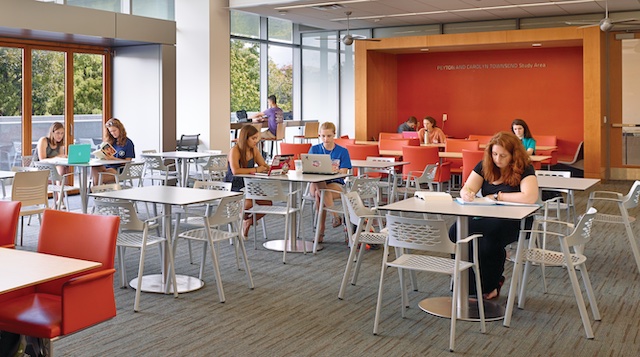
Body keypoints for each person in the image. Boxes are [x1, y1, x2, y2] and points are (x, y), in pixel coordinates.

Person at [451, 131, 538, 300]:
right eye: (495, 154)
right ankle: (466, 284)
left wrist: (499, 196)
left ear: (514, 155)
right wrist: (466, 194)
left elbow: (529, 197)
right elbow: (467, 188)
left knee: (488, 239)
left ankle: (491, 285)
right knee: (456, 232)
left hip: (515, 220)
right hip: (487, 216)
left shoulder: (525, 168)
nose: (498, 159)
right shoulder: (484, 166)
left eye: (503, 155)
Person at [224, 125, 272, 237]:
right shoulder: (235, 150)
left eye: (257, 138)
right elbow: (235, 171)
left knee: (268, 203)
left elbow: (263, 165)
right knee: (249, 203)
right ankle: (242, 219)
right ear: (245, 138)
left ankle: (248, 222)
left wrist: (275, 167)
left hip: (249, 185)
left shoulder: (253, 149)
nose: (256, 141)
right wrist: (256, 169)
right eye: (253, 138)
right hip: (234, 185)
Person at [308, 122, 352, 242]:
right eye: (323, 136)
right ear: (319, 135)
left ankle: (320, 231)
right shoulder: (314, 149)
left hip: (335, 183)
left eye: (329, 136)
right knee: (319, 184)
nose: (326, 139)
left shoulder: (342, 151)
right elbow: (309, 169)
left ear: (334, 135)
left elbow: (344, 173)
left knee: (320, 194)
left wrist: (334, 171)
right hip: (315, 183)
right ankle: (335, 216)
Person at [91, 118, 135, 184]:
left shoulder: (128, 143)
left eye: (114, 130)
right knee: (95, 167)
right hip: (106, 167)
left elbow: (128, 162)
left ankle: (93, 190)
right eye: (111, 131)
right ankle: (97, 190)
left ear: (120, 129)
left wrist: (113, 159)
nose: (113, 133)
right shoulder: (110, 141)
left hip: (118, 169)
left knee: (97, 178)